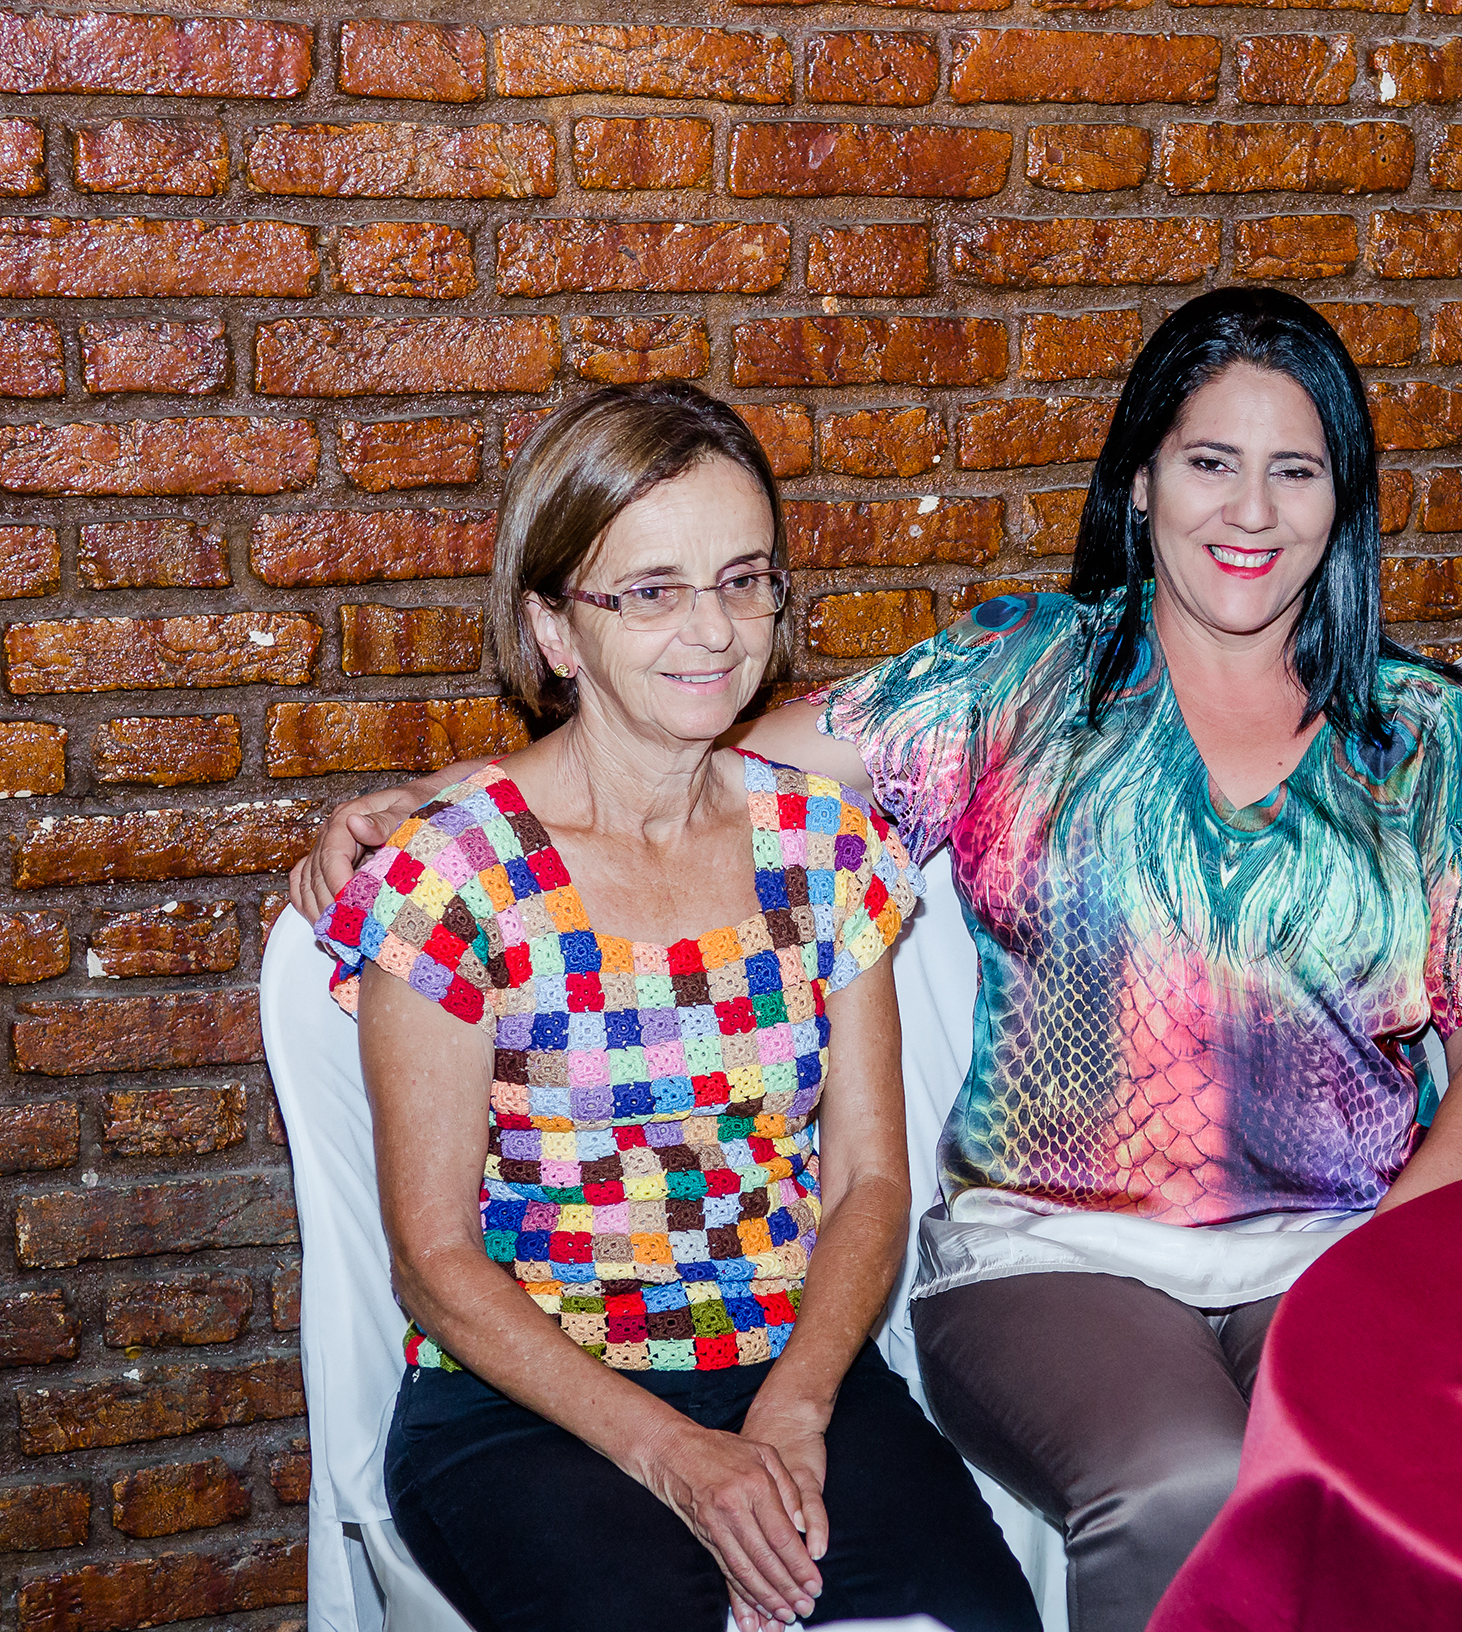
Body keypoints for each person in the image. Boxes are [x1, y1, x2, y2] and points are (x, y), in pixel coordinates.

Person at [295, 290, 1462, 1632]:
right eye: (1211, 460)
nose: (1250, 509)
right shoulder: (1018, 675)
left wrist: (1389, 1256)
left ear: (1344, 496)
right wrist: (446, 798)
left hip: (1335, 1243)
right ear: (1141, 479)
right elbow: (690, 740)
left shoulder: (1423, 732)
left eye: (1296, 470)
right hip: (1057, 1251)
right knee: (1188, 1480)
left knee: (1420, 1475)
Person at [312, 383, 1039, 1632]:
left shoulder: (824, 846)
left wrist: (795, 1408)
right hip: (529, 1407)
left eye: (742, 580)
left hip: (789, 1374)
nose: (711, 630)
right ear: (553, 627)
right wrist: (675, 1458)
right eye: (650, 591)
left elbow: (870, 1182)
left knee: (977, 1618)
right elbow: (434, 1261)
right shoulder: (452, 876)